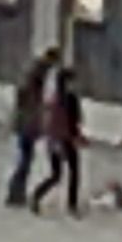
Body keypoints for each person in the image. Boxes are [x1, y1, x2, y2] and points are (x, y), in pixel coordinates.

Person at [4, 51, 55, 209]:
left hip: (26, 123)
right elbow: (29, 101)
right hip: (27, 125)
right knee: (25, 159)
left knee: (25, 158)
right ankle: (15, 192)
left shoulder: (32, 74)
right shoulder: (35, 77)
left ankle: (17, 192)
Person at [42, 62, 87, 216]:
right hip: (66, 140)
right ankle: (72, 205)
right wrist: (77, 137)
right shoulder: (70, 99)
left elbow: (50, 121)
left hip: (54, 139)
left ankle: (37, 195)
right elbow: (73, 122)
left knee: (56, 175)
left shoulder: (54, 99)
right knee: (73, 173)